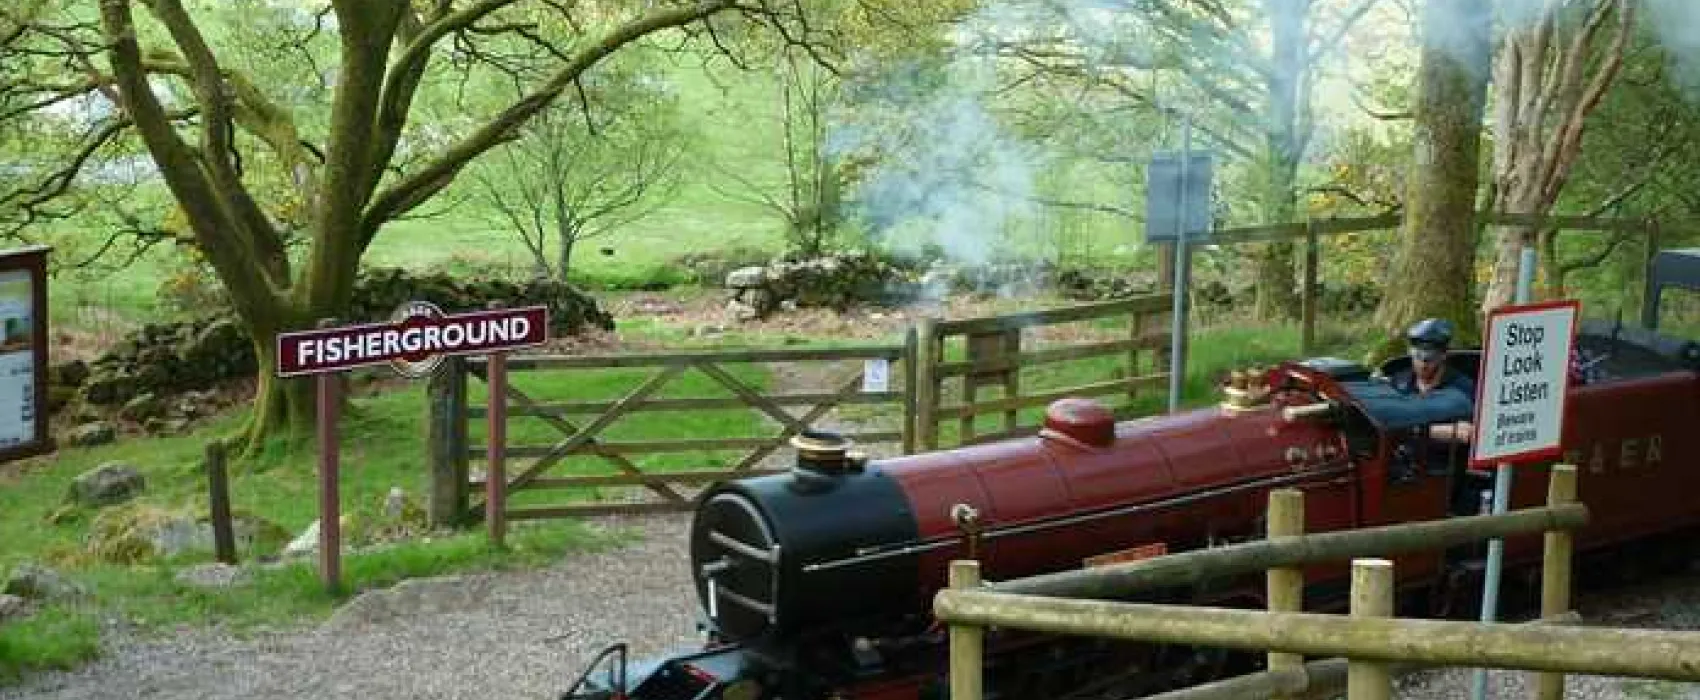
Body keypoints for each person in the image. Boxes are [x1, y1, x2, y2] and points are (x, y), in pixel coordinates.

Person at [1389, 318, 1475, 442]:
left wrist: (1416, 430)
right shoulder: (1399, 382)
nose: (1423, 365)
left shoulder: (1462, 387)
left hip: (1442, 459)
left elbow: (1466, 433)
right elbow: (1387, 422)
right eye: (1418, 356)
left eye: (1430, 358)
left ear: (1443, 355)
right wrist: (1438, 430)